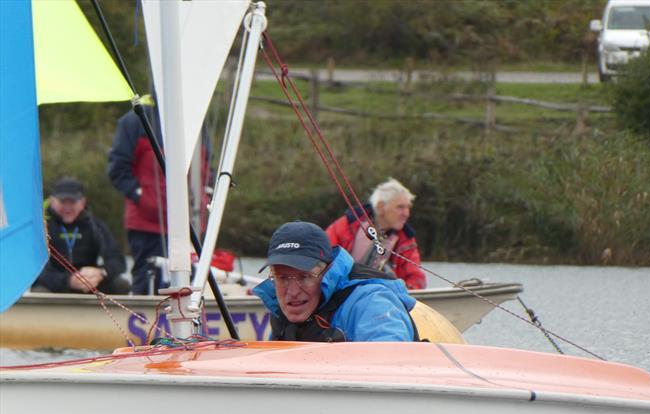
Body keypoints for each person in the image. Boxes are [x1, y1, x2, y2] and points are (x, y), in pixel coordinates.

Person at [107, 99, 211, 294]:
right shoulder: (135, 120)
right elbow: (118, 169)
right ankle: (142, 321)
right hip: (148, 224)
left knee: (195, 279)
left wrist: (207, 195)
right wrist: (143, 197)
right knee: (148, 278)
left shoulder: (195, 118)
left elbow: (206, 165)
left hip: (193, 221)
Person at [252, 221, 418, 342]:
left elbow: (390, 364)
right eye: (282, 278)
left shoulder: (371, 303)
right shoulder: (280, 314)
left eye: (305, 277)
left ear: (327, 271)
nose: (293, 291)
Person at [32, 177, 130, 295]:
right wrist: (68, 280)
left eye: (72, 202)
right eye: (63, 201)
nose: (67, 207)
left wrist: (100, 273)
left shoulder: (95, 226)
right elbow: (34, 271)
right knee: (39, 291)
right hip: (56, 285)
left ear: (82, 202)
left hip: (89, 283)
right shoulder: (42, 227)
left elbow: (118, 260)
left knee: (121, 284)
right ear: (53, 201)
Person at [325, 178, 427, 290]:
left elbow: (417, 279)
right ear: (380, 207)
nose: (406, 214)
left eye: (408, 207)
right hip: (340, 291)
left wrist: (403, 290)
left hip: (384, 298)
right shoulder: (347, 225)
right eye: (400, 207)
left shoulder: (406, 239)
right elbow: (322, 258)